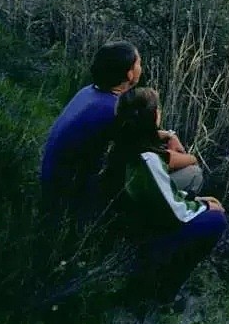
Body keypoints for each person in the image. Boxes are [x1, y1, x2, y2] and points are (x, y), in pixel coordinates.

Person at [41, 41, 204, 220]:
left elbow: (133, 138)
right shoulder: (112, 111)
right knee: (193, 173)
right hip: (75, 199)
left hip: (55, 185)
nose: (141, 67)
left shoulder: (90, 93)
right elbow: (151, 157)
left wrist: (167, 135)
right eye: (139, 63)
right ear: (129, 74)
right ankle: (148, 228)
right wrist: (192, 158)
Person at [102, 86, 226, 305]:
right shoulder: (148, 161)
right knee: (216, 220)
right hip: (142, 223)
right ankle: (164, 288)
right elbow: (175, 211)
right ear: (151, 117)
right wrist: (205, 205)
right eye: (157, 109)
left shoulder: (123, 142)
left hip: (128, 212)